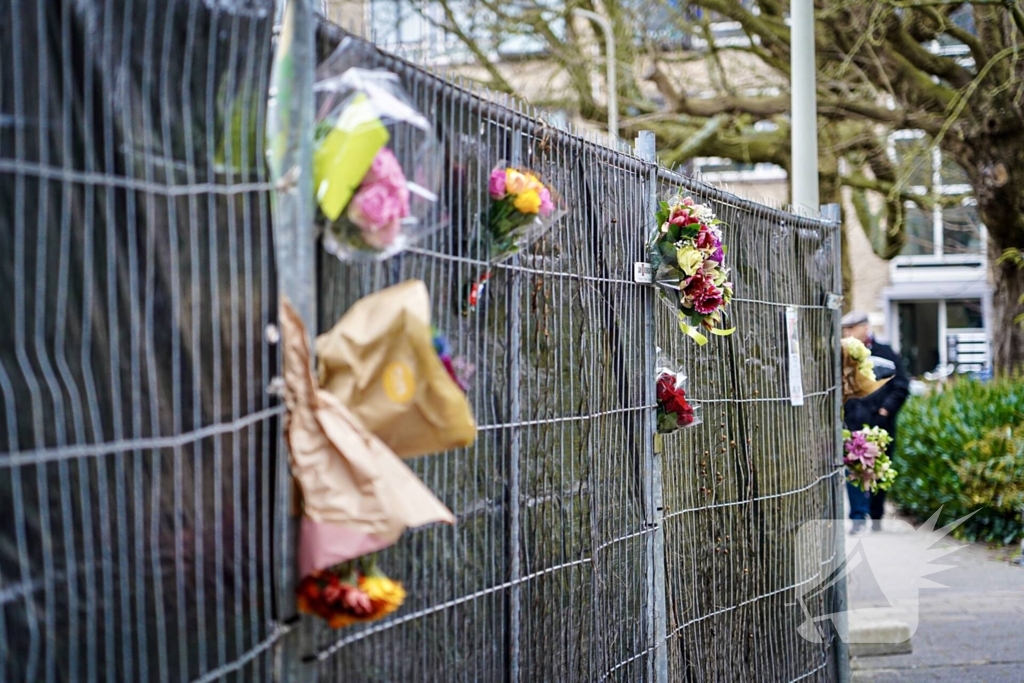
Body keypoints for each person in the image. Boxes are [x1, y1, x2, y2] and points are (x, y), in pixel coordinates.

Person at [841, 311, 909, 534]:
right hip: (853, 422)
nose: (847, 334)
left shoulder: (885, 353)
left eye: (852, 329)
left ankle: (876, 515)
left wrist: (885, 410)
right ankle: (858, 518)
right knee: (854, 471)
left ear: (865, 328)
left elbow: (901, 385)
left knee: (878, 469)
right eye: (845, 330)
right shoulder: (842, 355)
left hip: (880, 424)